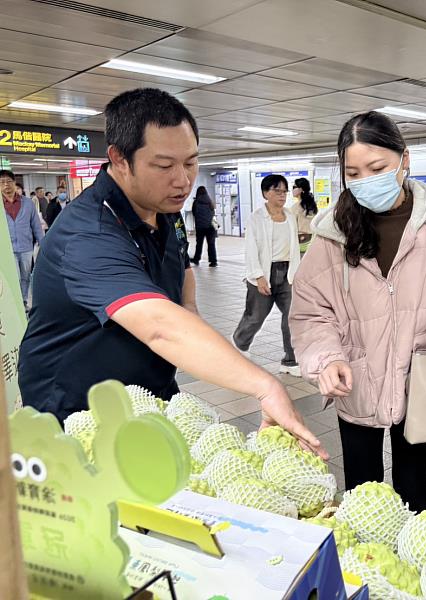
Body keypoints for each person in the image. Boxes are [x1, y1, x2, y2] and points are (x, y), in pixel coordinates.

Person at [18, 88, 324, 458]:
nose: (183, 180)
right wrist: (264, 386)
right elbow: (159, 326)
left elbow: (182, 286)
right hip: (78, 414)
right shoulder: (89, 233)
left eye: (191, 162)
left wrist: (197, 326)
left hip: (147, 397)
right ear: (119, 159)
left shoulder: (164, 210)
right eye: (164, 166)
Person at [289, 111, 426, 512]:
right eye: (353, 173)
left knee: (415, 494)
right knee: (362, 497)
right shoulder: (332, 233)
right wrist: (326, 357)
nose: (365, 182)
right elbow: (311, 311)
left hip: (419, 382)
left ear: (404, 159)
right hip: (356, 379)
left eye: (377, 168)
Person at [232, 174, 302, 377]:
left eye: (284, 191)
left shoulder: (290, 216)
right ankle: (239, 344)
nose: (282, 195)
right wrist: (258, 276)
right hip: (264, 271)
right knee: (255, 317)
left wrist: (296, 274)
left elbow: (295, 248)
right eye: (277, 191)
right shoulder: (256, 218)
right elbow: (251, 248)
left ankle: (290, 360)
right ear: (265, 193)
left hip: (287, 272)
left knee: (291, 317)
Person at [2, 170, 44, 311]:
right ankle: (15, 303)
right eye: (2, 182)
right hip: (7, 249)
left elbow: (36, 226)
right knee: (15, 277)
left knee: (26, 276)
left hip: (26, 247)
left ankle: (24, 301)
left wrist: (43, 244)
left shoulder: (28, 203)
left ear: (14, 183)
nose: (6, 185)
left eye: (9, 181)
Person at [190, 185, 217, 267]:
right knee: (211, 244)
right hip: (211, 227)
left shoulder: (196, 202)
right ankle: (213, 261)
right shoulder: (210, 201)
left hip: (200, 227)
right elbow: (213, 213)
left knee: (199, 244)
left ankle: (196, 259)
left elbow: (194, 213)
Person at [290, 177, 317, 255]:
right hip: (312, 241)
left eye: (294, 187)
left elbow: (292, 227)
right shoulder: (312, 205)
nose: (292, 190)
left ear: (301, 189)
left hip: (300, 243)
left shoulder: (296, 207)